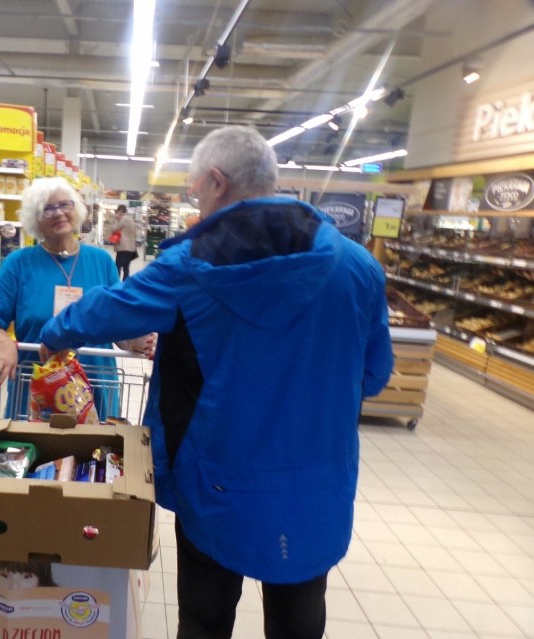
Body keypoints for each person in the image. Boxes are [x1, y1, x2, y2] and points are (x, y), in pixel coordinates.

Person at [38, 125, 394, 639]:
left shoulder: (190, 266)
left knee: (205, 619)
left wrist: (53, 335)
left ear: (218, 181)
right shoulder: (358, 266)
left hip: (218, 479)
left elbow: (108, 309)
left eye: (195, 188)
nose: (194, 198)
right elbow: (375, 376)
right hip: (315, 480)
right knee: (300, 617)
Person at [0, 176, 153, 419]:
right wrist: (3, 342)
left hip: (94, 389)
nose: (58, 213)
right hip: (36, 394)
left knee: (93, 454)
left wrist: (140, 340)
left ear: (76, 209)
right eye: (48, 208)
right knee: (35, 454)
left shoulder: (101, 262)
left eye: (64, 205)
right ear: (35, 219)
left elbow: (119, 327)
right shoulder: (19, 263)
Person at [110, 204, 137, 280]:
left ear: (120, 211)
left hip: (123, 247)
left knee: (117, 266)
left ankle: (116, 283)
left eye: (117, 212)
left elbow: (114, 229)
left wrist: (116, 220)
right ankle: (125, 284)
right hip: (131, 247)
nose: (116, 213)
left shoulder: (123, 219)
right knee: (126, 267)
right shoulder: (131, 219)